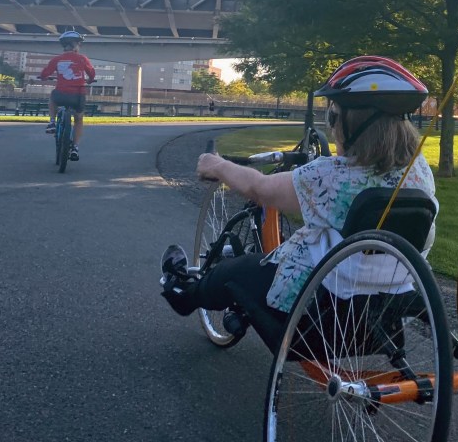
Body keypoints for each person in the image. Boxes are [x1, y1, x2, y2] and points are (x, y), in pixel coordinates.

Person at [160, 55, 437, 338]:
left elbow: (260, 188)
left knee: (233, 272)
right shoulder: (418, 172)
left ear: (354, 124)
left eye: (334, 116)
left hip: (317, 307)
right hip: (387, 301)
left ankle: (184, 293)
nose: (332, 125)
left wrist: (217, 165)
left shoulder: (327, 177)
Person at [38, 30, 96, 161]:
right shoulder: (82, 59)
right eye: (79, 45)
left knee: (52, 97)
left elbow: (45, 73)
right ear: (75, 45)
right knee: (78, 119)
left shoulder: (56, 59)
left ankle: (52, 122)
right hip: (78, 95)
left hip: (61, 94)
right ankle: (75, 147)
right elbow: (92, 73)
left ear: (64, 46)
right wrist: (90, 80)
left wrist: (43, 77)